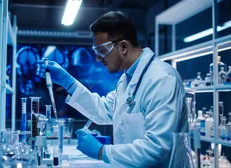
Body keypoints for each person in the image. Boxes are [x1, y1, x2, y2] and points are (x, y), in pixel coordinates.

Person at [37, 11, 189, 168]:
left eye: (101, 51)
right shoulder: (127, 79)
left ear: (123, 46)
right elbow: (104, 110)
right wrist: (67, 82)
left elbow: (157, 148)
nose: (98, 59)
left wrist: (102, 151)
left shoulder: (162, 79)